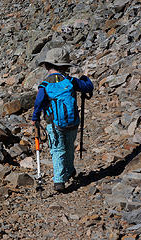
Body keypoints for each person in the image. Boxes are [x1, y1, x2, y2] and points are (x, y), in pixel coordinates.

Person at [31, 47, 94, 192]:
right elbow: (87, 87)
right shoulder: (71, 80)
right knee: (70, 146)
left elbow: (38, 103)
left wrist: (35, 118)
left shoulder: (45, 85)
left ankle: (59, 181)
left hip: (54, 124)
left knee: (58, 149)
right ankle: (70, 170)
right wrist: (85, 78)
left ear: (47, 66)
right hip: (72, 123)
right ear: (65, 67)